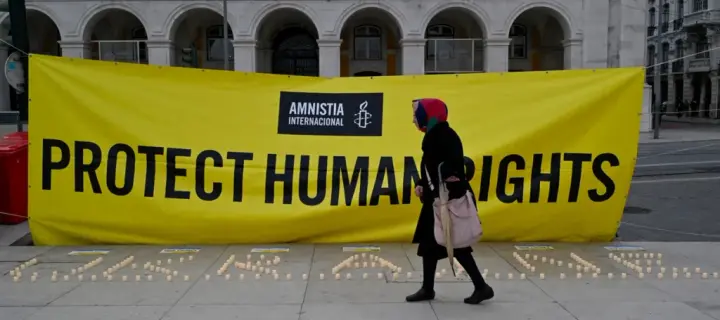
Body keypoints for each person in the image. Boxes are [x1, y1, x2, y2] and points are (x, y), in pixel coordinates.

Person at [405, 98, 494, 305]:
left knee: (456, 243)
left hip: (446, 200)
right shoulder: (435, 135)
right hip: (437, 200)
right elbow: (431, 167)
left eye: (417, 114)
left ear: (430, 114)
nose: (414, 120)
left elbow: (452, 168)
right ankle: (428, 288)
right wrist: (422, 184)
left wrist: (439, 187)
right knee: (430, 243)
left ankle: (481, 287)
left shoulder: (444, 136)